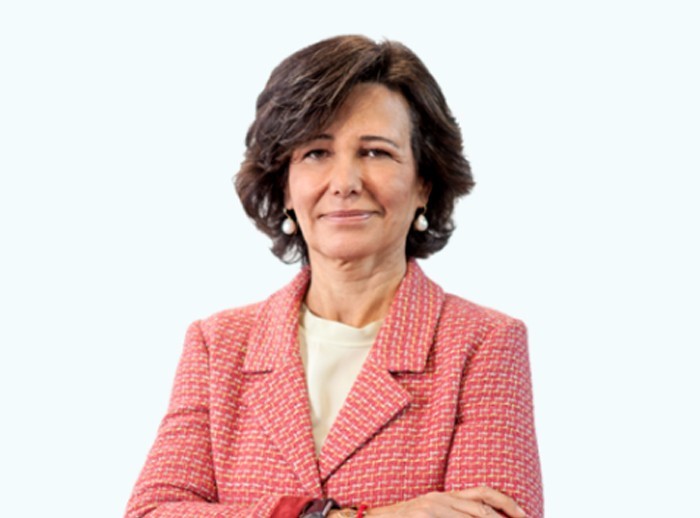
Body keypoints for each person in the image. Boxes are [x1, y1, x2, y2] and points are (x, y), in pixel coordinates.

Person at [125, 35, 543, 518]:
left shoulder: (484, 344)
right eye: (316, 153)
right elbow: (152, 512)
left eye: (376, 153)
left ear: (424, 183)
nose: (345, 182)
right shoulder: (218, 345)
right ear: (285, 187)